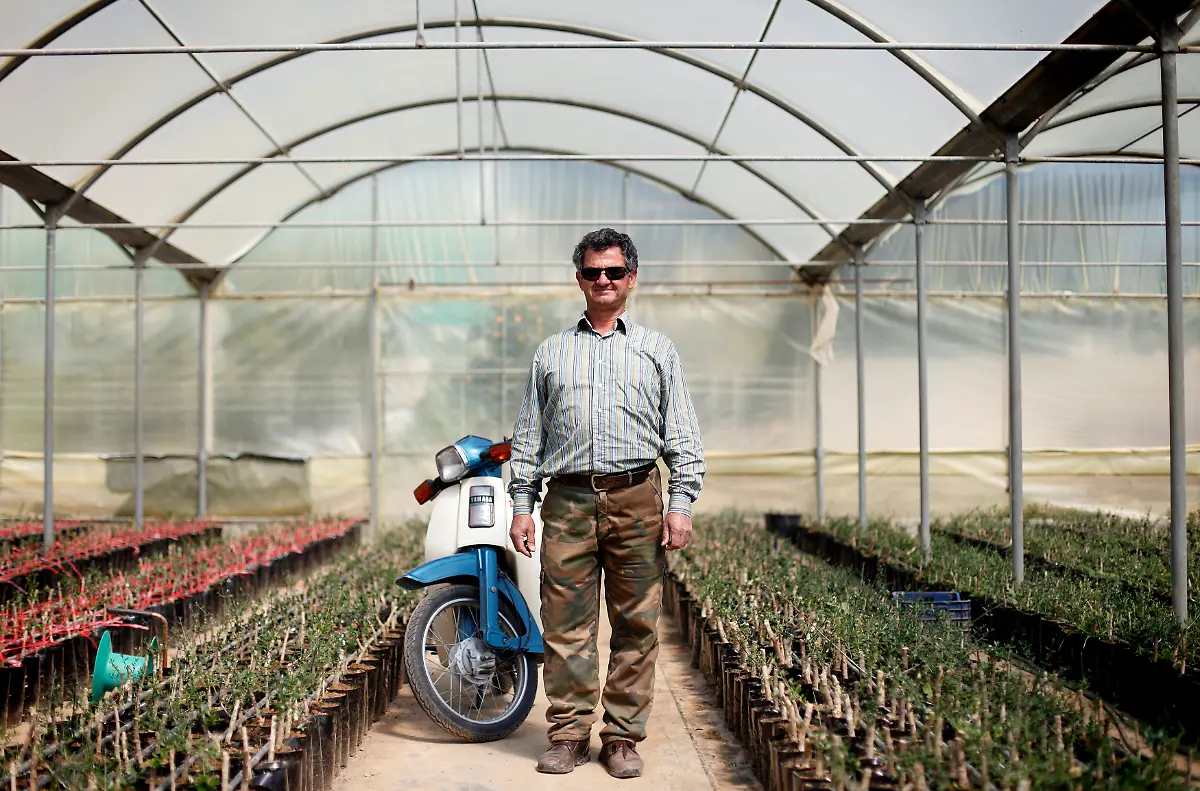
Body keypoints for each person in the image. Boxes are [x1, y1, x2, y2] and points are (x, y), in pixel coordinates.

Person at [508, 228, 705, 779]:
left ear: (631, 280)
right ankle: (568, 733)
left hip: (637, 497)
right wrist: (522, 504)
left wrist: (681, 503)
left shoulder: (657, 350)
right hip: (568, 501)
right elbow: (529, 435)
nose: (603, 280)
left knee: (636, 624)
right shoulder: (551, 353)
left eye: (614, 272)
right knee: (566, 624)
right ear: (579, 280)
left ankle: (621, 737)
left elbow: (682, 433)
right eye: (593, 272)